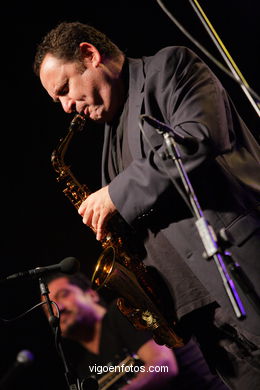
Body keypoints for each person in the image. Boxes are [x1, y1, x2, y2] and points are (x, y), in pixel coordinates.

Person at [34, 21, 260, 389]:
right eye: (57, 100)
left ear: (90, 55)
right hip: (201, 317)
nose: (65, 107)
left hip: (242, 273)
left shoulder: (169, 67)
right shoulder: (108, 142)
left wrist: (114, 195)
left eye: (64, 89)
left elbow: (198, 137)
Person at [44, 271, 228, 390]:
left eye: (64, 295)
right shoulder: (84, 370)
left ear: (91, 294)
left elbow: (164, 366)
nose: (57, 309)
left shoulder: (122, 312)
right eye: (48, 307)